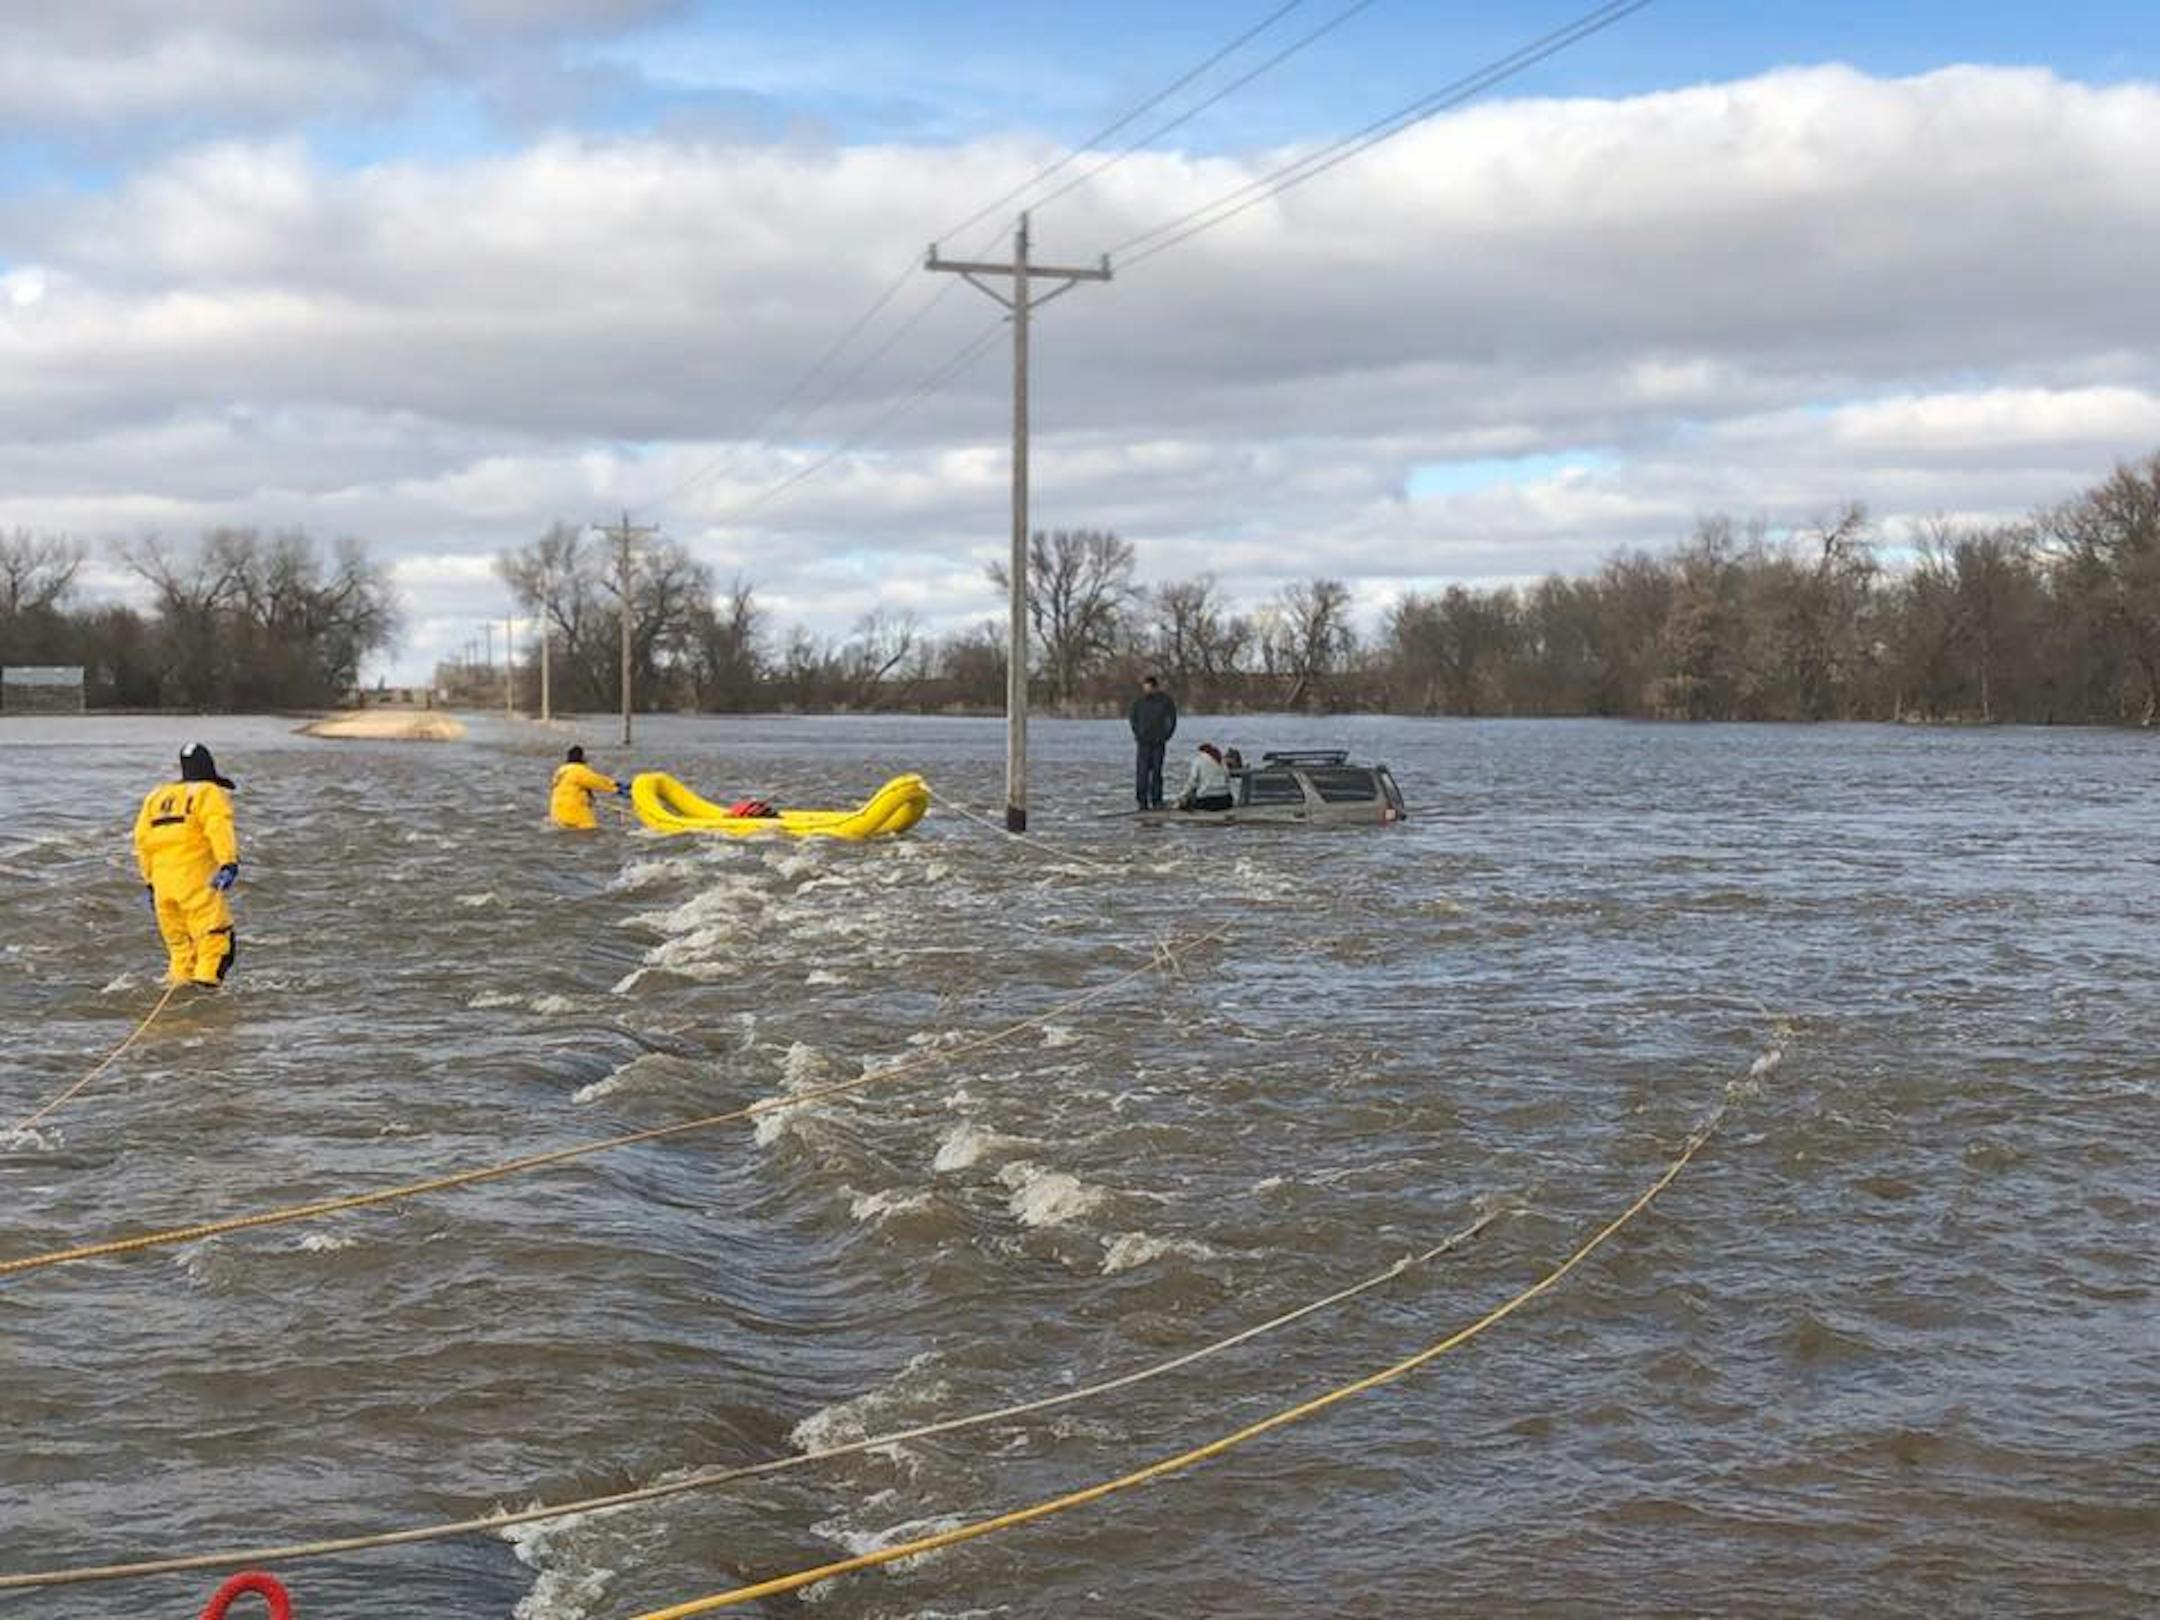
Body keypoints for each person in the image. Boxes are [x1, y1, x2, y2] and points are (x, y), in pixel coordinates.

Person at [133, 743, 241, 987]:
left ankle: (179, 999)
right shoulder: (208, 793)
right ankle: (205, 1001)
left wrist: (150, 883)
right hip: (196, 883)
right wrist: (228, 863)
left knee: (182, 952)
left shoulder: (156, 797)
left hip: (163, 889)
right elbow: (218, 827)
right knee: (215, 943)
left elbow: (142, 841)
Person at [1128, 674, 1178, 810]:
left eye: (1148, 687)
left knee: (1156, 772)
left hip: (1158, 742)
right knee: (1142, 773)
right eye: (1145, 687)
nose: (1146, 690)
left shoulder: (1165, 701)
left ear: (1155, 687)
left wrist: (1166, 735)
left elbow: (1172, 719)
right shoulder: (1138, 702)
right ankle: (1142, 801)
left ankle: (1156, 800)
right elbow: (1132, 719)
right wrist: (1138, 733)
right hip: (1143, 742)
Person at [551, 745, 630, 829]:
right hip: (574, 810)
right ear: (581, 757)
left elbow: (595, 778)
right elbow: (596, 782)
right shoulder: (579, 770)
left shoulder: (561, 770)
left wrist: (615, 783)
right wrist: (617, 790)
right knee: (591, 830)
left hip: (557, 811)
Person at [1176, 742, 1235, 813]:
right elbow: (1227, 777)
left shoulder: (1198, 760)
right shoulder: (1221, 760)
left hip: (1207, 801)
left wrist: (1181, 796)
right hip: (1226, 801)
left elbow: (1192, 781)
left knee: (1190, 798)